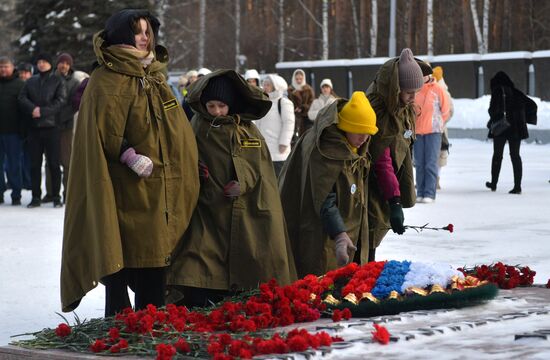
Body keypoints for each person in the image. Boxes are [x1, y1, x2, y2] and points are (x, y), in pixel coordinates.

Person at [60, 9, 200, 317]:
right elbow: (100, 132)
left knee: (156, 256)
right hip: (123, 187)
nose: (144, 38)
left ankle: (152, 320)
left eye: (148, 32)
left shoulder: (155, 78)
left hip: (159, 187)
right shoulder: (105, 79)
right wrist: (129, 155)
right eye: (138, 32)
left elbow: (175, 127)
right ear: (123, 35)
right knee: (120, 251)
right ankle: (120, 322)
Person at [167, 69, 296, 308]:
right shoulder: (197, 126)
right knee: (198, 261)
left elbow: (258, 165)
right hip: (205, 210)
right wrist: (194, 168)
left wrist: (243, 182)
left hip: (242, 209)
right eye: (212, 106)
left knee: (244, 258)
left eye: (222, 106)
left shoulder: (246, 129)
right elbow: (183, 154)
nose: (216, 111)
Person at [279, 91, 378, 277]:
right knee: (320, 276)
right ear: (346, 126)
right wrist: (340, 234)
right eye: (360, 132)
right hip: (321, 230)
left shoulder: (354, 146)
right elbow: (324, 197)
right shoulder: (326, 150)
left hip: (342, 228)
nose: (365, 138)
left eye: (369, 133)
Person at [365, 48, 428, 261]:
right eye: (409, 92)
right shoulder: (380, 113)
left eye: (416, 92)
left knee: (373, 235)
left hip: (385, 187)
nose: (413, 97)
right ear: (395, 88)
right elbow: (383, 162)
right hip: (370, 188)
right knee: (367, 237)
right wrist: (395, 201)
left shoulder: (402, 109)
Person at [18, 53, 66, 208]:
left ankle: (56, 196)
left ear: (50, 64)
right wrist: (33, 109)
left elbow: (61, 101)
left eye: (44, 61)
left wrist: (43, 111)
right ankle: (35, 196)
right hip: (34, 129)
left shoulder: (57, 80)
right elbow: (22, 98)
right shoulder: (31, 81)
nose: (41, 64)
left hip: (52, 128)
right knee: (34, 164)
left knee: (53, 164)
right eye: (39, 61)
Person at [485, 71, 537, 194]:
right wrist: (524, 118)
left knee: (497, 155)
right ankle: (517, 186)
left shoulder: (498, 91)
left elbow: (493, 110)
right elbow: (532, 105)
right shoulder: (517, 93)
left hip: (501, 128)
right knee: (515, 156)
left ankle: (494, 183)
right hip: (516, 130)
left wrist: (492, 120)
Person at [42, 53, 82, 203]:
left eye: (66, 63)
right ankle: (51, 193)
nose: (63, 65)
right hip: (49, 126)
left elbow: (75, 104)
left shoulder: (75, 82)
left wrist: (60, 116)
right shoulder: (49, 79)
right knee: (50, 161)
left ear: (70, 65)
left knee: (67, 162)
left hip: (65, 126)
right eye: (61, 62)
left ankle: (68, 193)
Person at [413, 72, 451, 203]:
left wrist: (437, 122)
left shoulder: (437, 89)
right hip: (417, 131)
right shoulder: (414, 89)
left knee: (430, 163)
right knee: (419, 163)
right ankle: (420, 192)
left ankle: (429, 193)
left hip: (434, 131)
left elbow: (446, 110)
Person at [254, 74, 295, 176]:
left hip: (279, 151)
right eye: (264, 84)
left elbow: (289, 123)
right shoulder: (263, 103)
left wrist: (284, 143)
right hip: (264, 149)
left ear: (275, 86)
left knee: (279, 180)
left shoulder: (284, 103)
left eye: (268, 85)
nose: (265, 87)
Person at [0, 57, 25, 205]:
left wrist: (23, 130)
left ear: (12, 67)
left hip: (14, 132)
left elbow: (24, 109)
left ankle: (16, 194)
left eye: (6, 66)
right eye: (1, 66)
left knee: (14, 164)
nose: (3, 69)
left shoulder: (20, 85)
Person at [432, 66, 454, 190]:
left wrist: (440, 121)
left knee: (438, 155)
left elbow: (450, 110)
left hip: (439, 129)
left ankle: (436, 180)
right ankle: (433, 180)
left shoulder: (442, 91)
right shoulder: (443, 90)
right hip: (431, 128)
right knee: (436, 155)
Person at [287, 69, 314, 137]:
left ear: (303, 78)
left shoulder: (308, 89)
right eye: (297, 79)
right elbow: (287, 102)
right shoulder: (290, 90)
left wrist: (303, 108)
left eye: (300, 79)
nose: (299, 81)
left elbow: (312, 103)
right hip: (293, 117)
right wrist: (293, 108)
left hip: (306, 118)